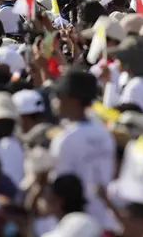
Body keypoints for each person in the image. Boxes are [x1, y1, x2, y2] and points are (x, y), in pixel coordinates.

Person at [49, 70, 117, 230]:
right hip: (103, 219)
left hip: (74, 225)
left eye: (58, 96)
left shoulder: (65, 139)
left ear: (71, 99)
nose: (55, 102)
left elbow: (59, 189)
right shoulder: (104, 133)